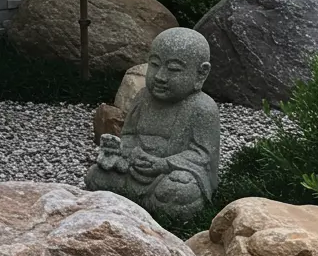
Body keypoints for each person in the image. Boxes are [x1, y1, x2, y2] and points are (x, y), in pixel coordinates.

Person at [85, 27, 220, 222]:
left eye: (173, 69)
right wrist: (123, 150)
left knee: (179, 190)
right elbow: (130, 135)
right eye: (155, 65)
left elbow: (203, 155)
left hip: (167, 175)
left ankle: (141, 205)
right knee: (96, 175)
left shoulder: (202, 108)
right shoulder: (142, 98)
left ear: (201, 74)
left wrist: (164, 164)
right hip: (135, 170)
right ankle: (144, 204)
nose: (160, 76)